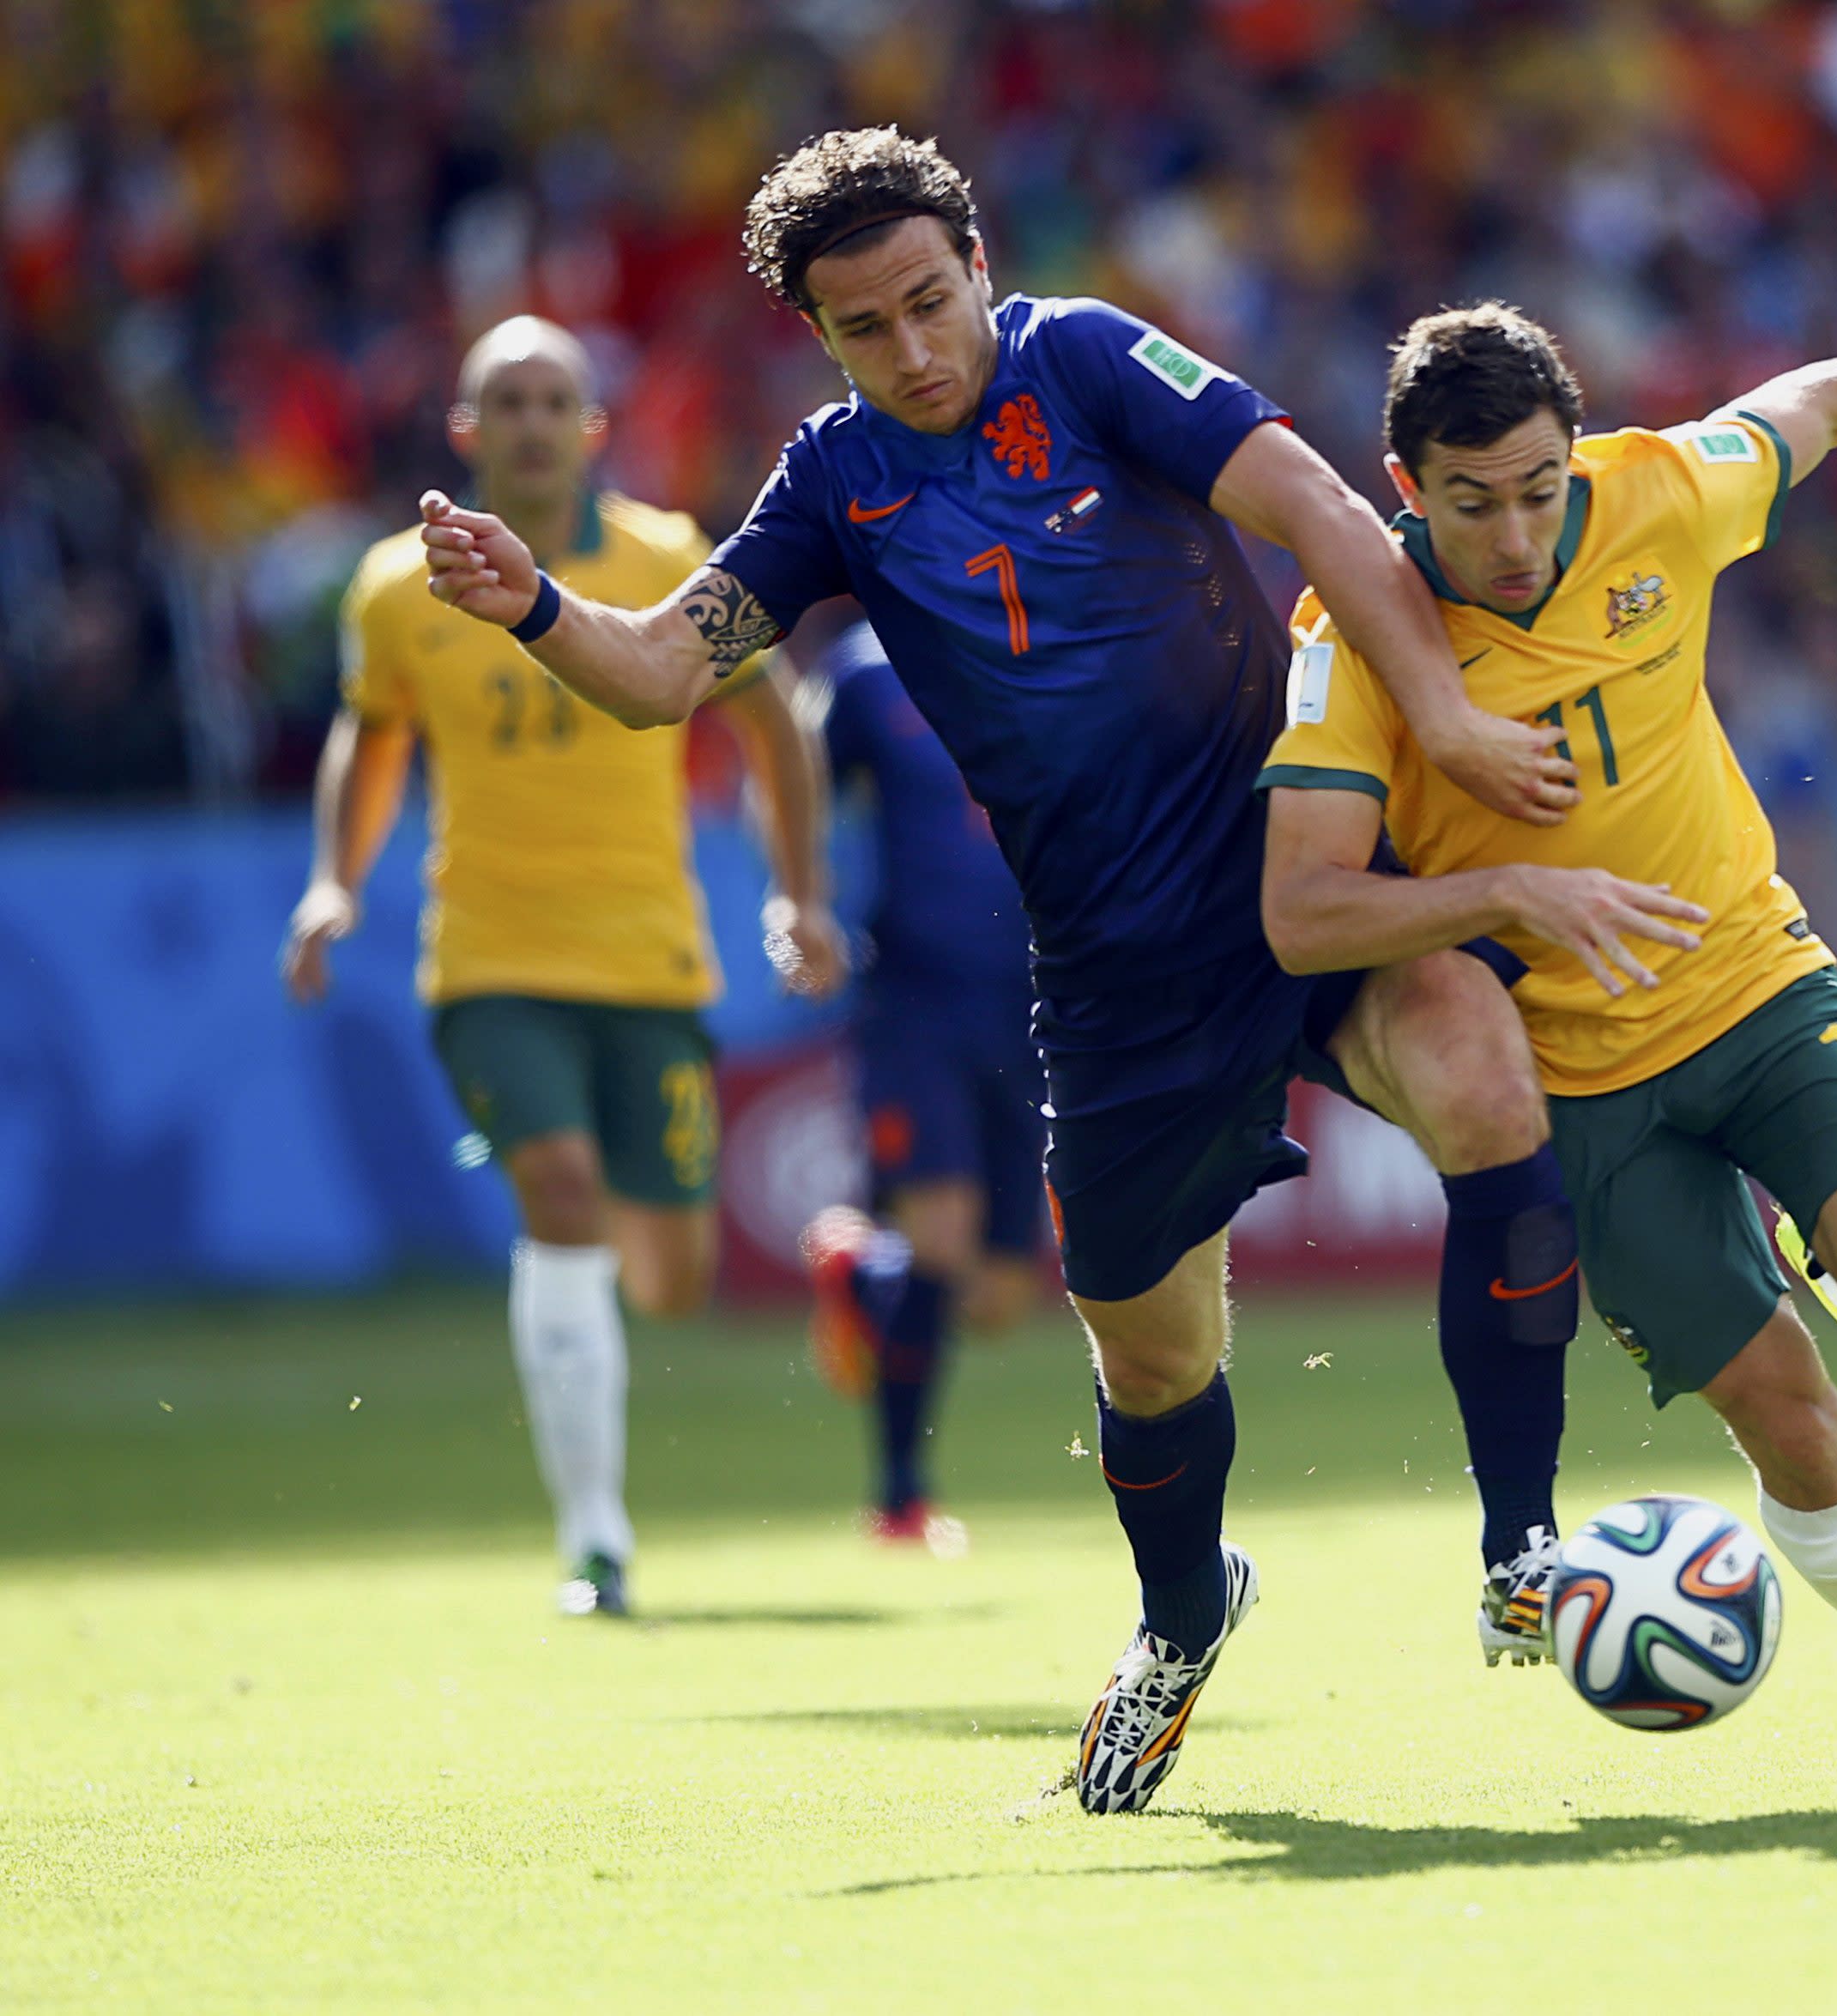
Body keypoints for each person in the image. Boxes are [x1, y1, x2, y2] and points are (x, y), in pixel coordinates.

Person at [408, 129, 1584, 1816]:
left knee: (1478, 1065)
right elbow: (666, 669)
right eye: (864, 327)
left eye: (928, 301)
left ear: (979, 264)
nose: (912, 348)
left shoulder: (1095, 360)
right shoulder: (833, 484)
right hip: (1110, 974)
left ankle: (1520, 1542)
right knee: (1153, 1364)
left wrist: (1451, 721)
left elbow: (1319, 504)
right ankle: (1181, 1624)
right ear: (823, 340)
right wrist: (535, 608)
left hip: (1296, 868)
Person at [1260, 296, 1837, 1791]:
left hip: (1751, 977)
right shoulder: (1353, 635)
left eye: (1541, 488)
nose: (1519, 531)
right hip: (1580, 1091)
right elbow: (1300, 911)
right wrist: (1508, 888)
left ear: (1577, 451)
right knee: (1788, 1422)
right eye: (1473, 503)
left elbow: (1835, 386)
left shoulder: (1661, 487)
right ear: (1406, 489)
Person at [282, 315, 843, 1619]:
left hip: (649, 963)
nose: (532, 422)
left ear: (593, 428)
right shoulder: (392, 585)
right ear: (466, 430)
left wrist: (802, 893)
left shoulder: (668, 558)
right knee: (563, 1191)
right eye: (506, 401)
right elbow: (368, 745)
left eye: (555, 400)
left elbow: (775, 724)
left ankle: (826, 1301)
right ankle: (597, 1537)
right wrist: (336, 881)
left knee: (671, 1279)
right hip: (487, 958)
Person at [799, 621, 1051, 1554]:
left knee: (993, 1299)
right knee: (940, 1239)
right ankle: (901, 1496)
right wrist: (801, 903)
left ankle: (860, 1272)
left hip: (1029, 995)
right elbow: (791, 781)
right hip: (913, 994)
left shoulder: (1053, 645)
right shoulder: (865, 672)